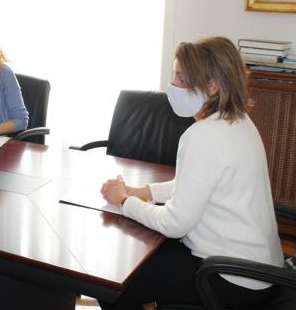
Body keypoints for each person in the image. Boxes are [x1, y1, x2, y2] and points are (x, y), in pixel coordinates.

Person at [99, 37, 283, 309]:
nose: (173, 85)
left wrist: (125, 202)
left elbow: (175, 224)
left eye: (181, 78)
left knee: (111, 284)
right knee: (145, 255)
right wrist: (145, 192)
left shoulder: (202, 135)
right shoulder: (239, 122)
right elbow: (197, 184)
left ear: (212, 86)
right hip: (261, 271)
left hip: (229, 278)